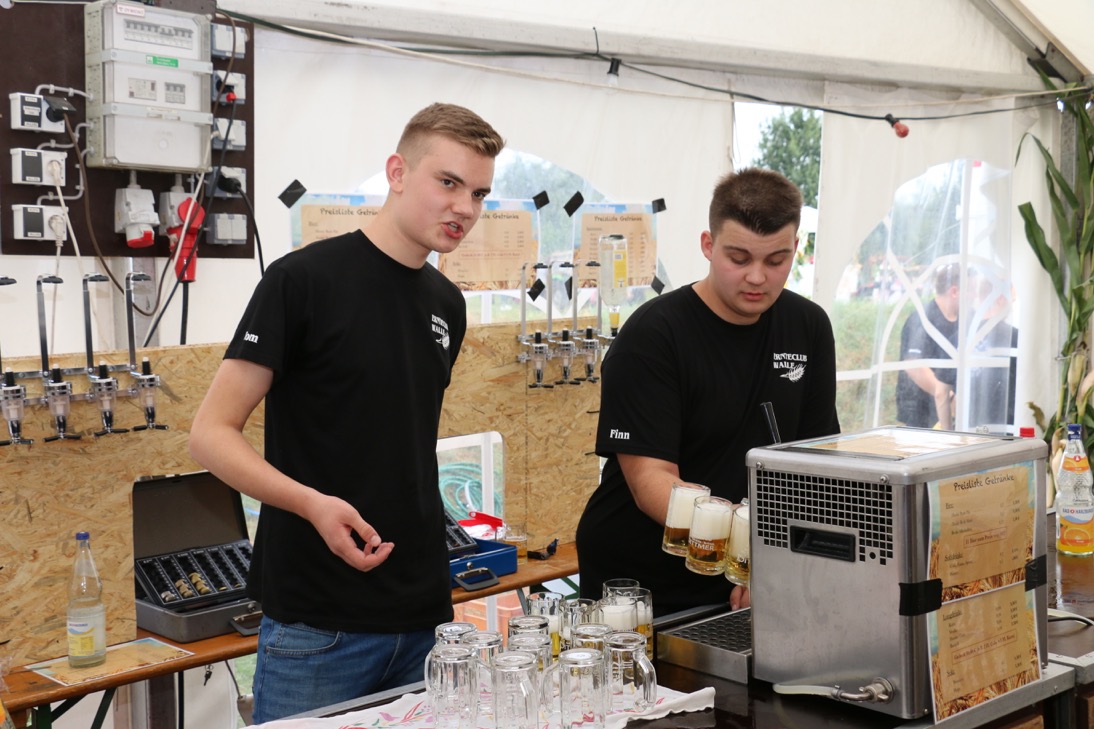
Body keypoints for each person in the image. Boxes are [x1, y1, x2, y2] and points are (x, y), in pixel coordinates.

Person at [189, 103, 504, 723]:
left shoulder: (446, 303)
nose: (464, 208)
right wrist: (312, 504)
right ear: (397, 172)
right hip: (318, 625)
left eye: (479, 193)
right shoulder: (303, 281)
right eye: (448, 182)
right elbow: (210, 434)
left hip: (424, 619)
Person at [575, 168, 840, 617]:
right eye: (739, 258)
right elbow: (652, 481)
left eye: (776, 260)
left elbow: (817, 463)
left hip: (751, 567)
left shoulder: (809, 326)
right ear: (707, 245)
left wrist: (777, 560)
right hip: (642, 584)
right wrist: (751, 551)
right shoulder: (654, 335)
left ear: (796, 249)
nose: (757, 277)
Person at [896, 262, 961, 430]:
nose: (974, 297)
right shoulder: (922, 319)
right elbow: (914, 365)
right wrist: (949, 398)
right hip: (922, 416)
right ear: (954, 291)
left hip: (952, 415)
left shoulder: (965, 319)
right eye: (971, 291)